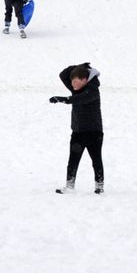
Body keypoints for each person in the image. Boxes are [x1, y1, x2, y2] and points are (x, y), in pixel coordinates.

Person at [49, 63, 104, 193]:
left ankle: (99, 187)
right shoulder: (77, 88)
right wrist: (80, 67)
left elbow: (80, 99)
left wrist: (64, 99)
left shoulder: (93, 90)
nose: (72, 84)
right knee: (73, 160)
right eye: (72, 82)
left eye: (75, 81)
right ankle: (69, 186)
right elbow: (63, 74)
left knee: (96, 160)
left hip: (93, 133)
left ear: (84, 80)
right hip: (78, 132)